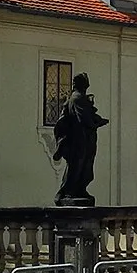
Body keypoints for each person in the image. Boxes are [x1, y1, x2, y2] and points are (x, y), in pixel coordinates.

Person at [52, 72, 109, 204]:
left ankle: (78, 189)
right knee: (77, 166)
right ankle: (68, 192)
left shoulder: (79, 98)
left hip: (83, 140)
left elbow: (87, 115)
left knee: (83, 166)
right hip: (79, 141)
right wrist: (98, 122)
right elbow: (85, 119)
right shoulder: (77, 98)